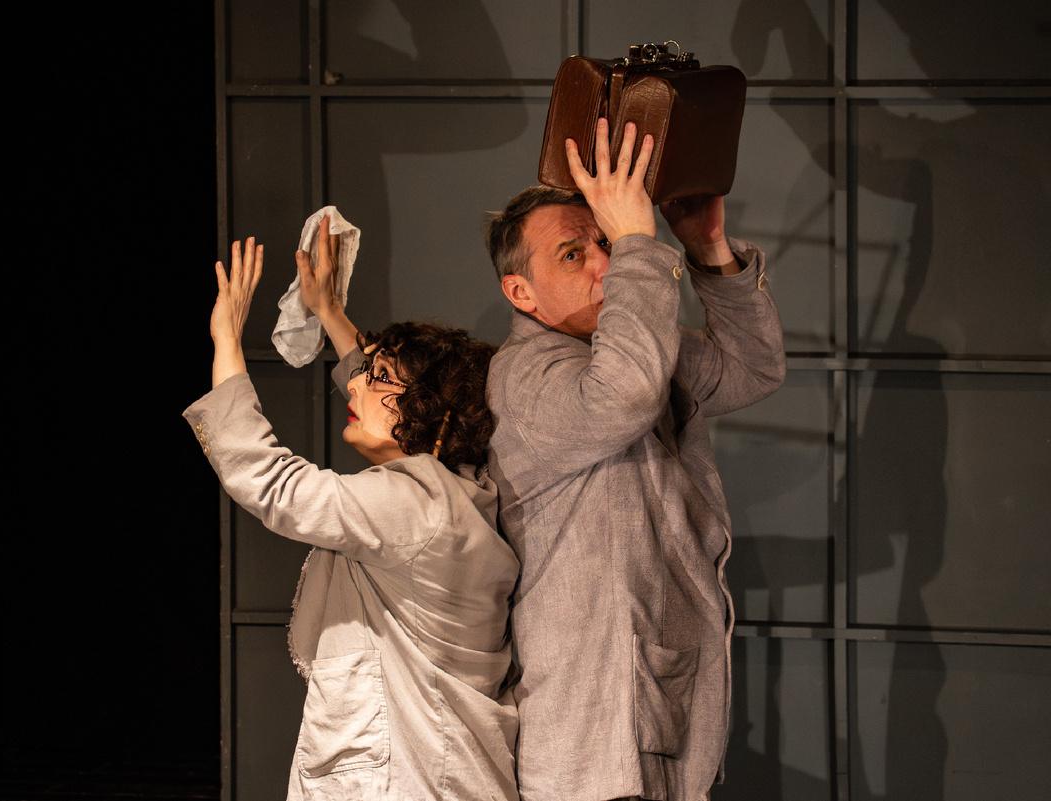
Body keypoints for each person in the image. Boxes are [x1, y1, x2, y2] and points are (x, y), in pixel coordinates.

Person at [483, 119, 787, 801]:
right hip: (591, 744)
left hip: (650, 716)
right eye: (573, 254)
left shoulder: (628, 346)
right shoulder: (525, 375)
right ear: (521, 293)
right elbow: (623, 397)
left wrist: (706, 246)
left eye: (603, 242)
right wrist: (637, 245)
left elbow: (752, 368)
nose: (604, 264)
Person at [184, 219, 519, 800]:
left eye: (379, 376)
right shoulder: (461, 492)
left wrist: (226, 340)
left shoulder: (414, 504)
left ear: (431, 409)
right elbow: (384, 401)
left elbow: (272, 483)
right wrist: (329, 311)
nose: (357, 385)